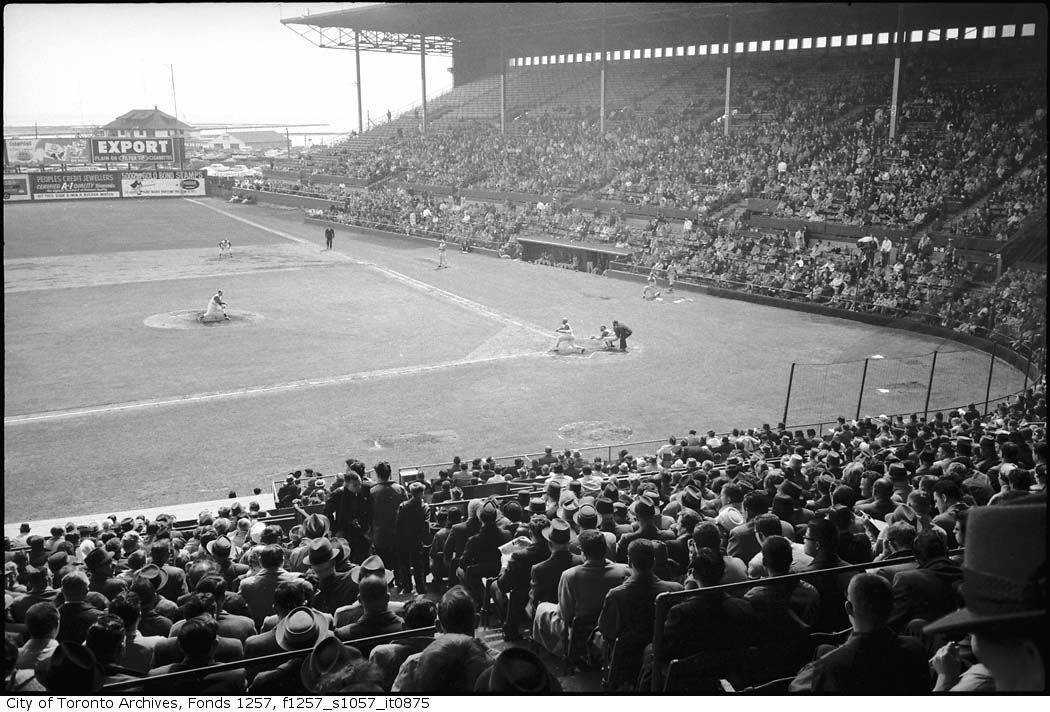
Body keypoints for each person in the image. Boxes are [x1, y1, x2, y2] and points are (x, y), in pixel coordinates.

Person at [788, 573, 930, 693]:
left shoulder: (829, 666)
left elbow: (794, 688)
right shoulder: (915, 647)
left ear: (848, 608)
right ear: (892, 608)